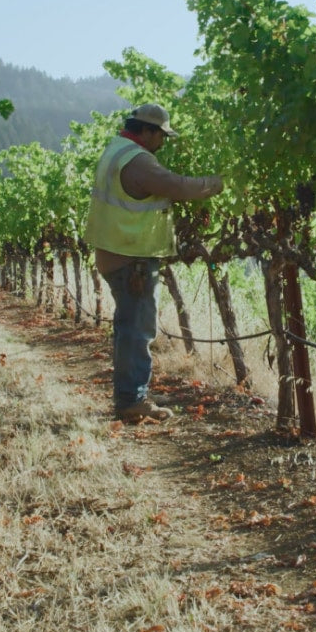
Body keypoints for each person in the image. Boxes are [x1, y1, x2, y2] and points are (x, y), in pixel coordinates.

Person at [85, 104, 224, 422]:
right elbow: (178, 187)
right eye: (162, 135)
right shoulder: (138, 161)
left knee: (127, 328)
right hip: (131, 257)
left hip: (114, 251)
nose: (164, 142)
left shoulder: (115, 150)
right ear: (146, 131)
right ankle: (132, 400)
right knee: (137, 330)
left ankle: (130, 395)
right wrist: (217, 183)